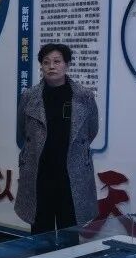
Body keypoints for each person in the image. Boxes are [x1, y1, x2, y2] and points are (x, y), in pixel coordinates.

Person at [15, 43, 99, 236]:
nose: (51, 66)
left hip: (72, 174)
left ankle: (68, 257)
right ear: (41, 66)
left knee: (69, 231)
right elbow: (23, 130)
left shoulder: (84, 96)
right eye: (46, 62)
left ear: (66, 65)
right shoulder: (29, 96)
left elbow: (90, 131)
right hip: (39, 174)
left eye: (57, 61)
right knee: (40, 231)